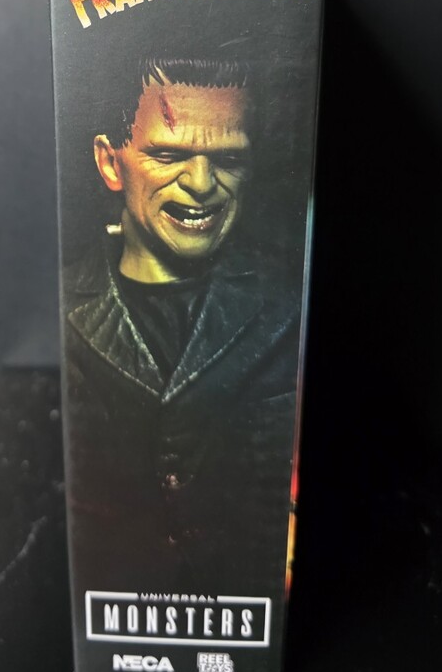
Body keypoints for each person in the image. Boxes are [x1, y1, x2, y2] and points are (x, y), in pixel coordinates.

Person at [63, 56, 299, 591]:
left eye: (228, 159)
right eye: (168, 155)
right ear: (110, 162)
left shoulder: (287, 309)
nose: (201, 183)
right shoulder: (60, 307)